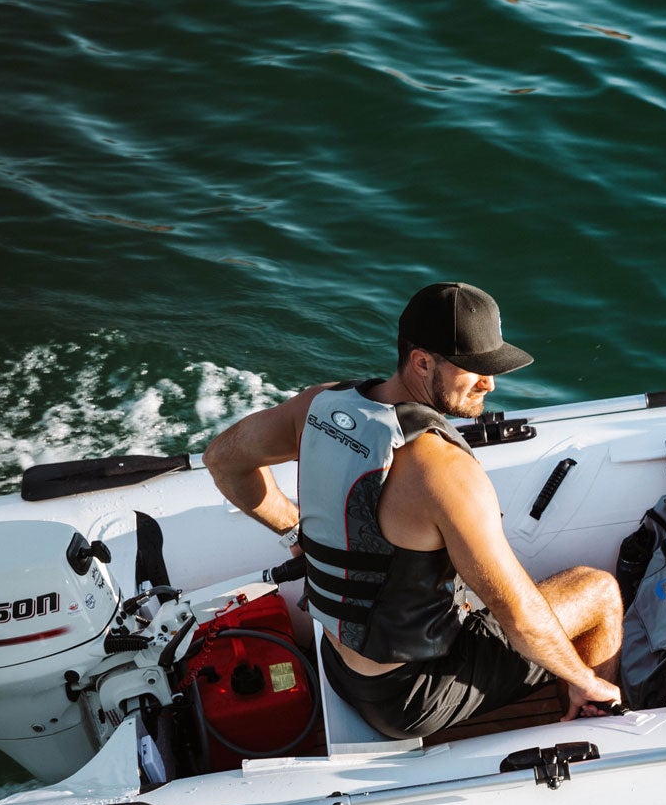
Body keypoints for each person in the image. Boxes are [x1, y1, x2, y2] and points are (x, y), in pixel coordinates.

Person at [204, 282, 624, 738]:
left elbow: (223, 460)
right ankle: (598, 729)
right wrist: (585, 680)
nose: (491, 383)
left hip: (337, 659)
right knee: (598, 593)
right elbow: (518, 617)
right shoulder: (442, 472)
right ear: (422, 361)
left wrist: (294, 536)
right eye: (474, 369)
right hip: (408, 697)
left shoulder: (319, 406)